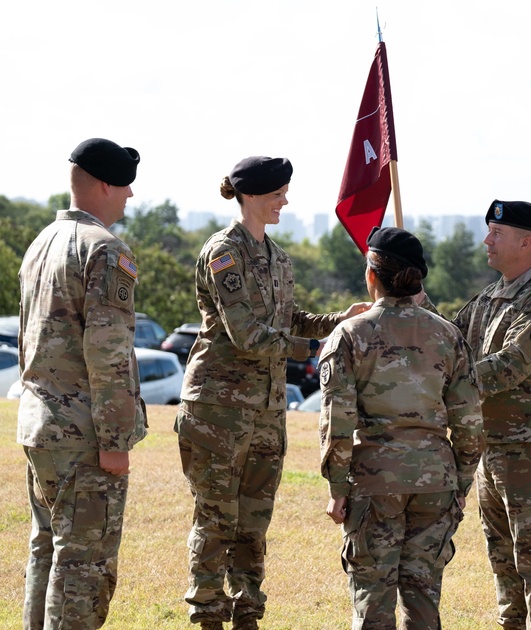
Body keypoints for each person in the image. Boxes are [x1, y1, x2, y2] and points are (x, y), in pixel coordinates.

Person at [176, 156, 369, 630]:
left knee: (253, 523)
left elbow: (289, 319)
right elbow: (246, 333)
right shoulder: (224, 253)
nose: (286, 200)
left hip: (266, 410)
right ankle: (208, 617)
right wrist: (316, 347)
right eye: (279, 192)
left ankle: (248, 615)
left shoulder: (277, 257)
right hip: (218, 409)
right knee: (216, 518)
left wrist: (342, 320)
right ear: (253, 196)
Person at [320, 227, 484, 629]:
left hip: (376, 482)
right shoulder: (447, 334)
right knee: (423, 596)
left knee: (373, 601)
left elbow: (337, 422)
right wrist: (460, 485)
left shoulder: (349, 335)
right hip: (436, 482)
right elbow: (469, 421)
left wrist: (338, 489)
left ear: (371, 276)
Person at [18, 138, 146, 629]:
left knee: (47, 552)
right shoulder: (106, 250)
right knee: (84, 569)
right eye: (126, 185)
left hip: (40, 425)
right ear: (104, 185)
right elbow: (108, 355)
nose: (131, 196)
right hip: (84, 438)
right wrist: (115, 442)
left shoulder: (41, 242)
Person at [452, 200, 531, 630]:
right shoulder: (490, 296)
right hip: (494, 447)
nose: (487, 240)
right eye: (489, 231)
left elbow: (508, 367)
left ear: (526, 242)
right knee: (501, 555)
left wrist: (446, 381)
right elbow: (450, 339)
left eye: (496, 233)